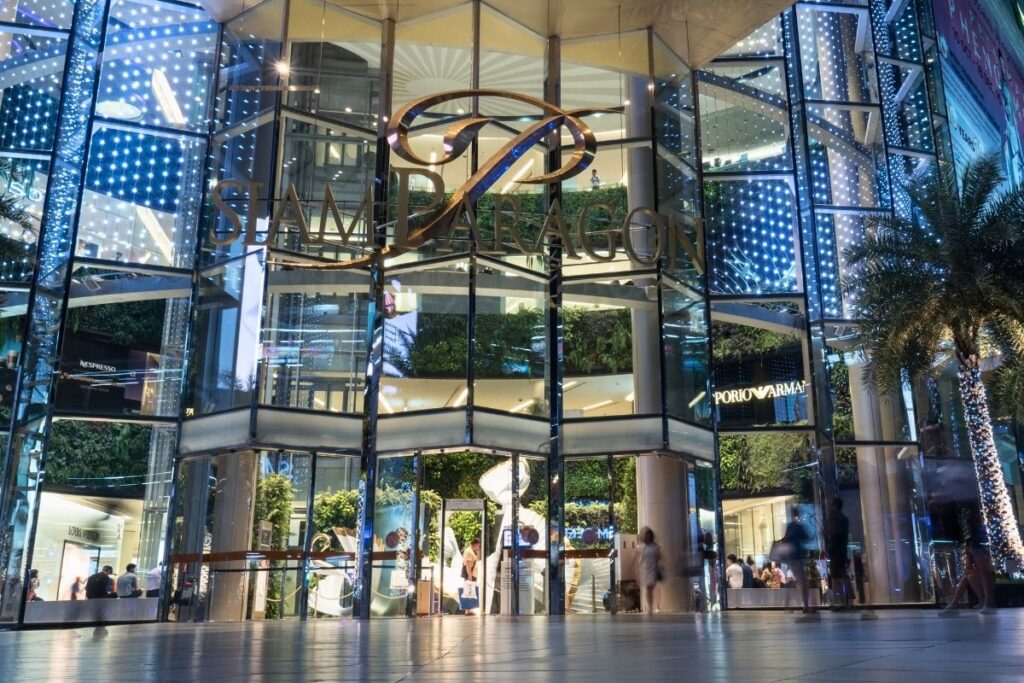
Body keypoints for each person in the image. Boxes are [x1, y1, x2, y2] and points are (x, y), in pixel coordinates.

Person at [781, 506, 812, 614]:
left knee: (795, 581)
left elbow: (786, 539)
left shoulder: (791, 526)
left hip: (791, 557)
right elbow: (806, 538)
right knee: (802, 582)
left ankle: (788, 605)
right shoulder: (797, 526)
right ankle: (805, 605)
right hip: (797, 556)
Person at [825, 497, 850, 609]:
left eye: (831, 505)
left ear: (836, 507)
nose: (830, 508)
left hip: (838, 552)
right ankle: (842, 602)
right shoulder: (840, 519)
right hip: (837, 552)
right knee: (837, 578)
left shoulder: (839, 520)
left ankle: (842, 603)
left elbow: (832, 534)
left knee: (837, 578)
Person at [637, 527, 662, 614]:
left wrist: (658, 554)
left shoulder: (655, 546)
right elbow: (641, 560)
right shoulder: (643, 547)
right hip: (646, 570)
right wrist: (638, 571)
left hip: (654, 569)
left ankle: (652, 606)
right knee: (648, 589)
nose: (648, 537)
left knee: (651, 588)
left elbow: (659, 558)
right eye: (646, 535)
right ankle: (650, 607)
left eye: (649, 535)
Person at [461, 539, 480, 615]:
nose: (478, 547)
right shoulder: (468, 551)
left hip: (472, 574)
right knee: (469, 591)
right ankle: (468, 609)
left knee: (471, 591)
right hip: (470, 574)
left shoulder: (471, 551)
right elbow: (468, 564)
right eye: (478, 545)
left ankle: (469, 609)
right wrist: (469, 575)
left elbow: (477, 560)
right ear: (475, 544)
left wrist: (478, 551)